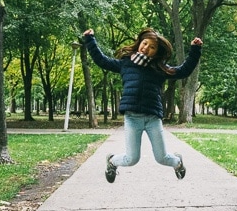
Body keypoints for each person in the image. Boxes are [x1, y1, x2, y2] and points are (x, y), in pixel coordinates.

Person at [83, 27, 203, 183]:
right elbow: (102, 60)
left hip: (153, 119)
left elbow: (183, 71)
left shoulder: (159, 69)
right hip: (132, 118)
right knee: (131, 159)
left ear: (156, 52)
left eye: (152, 47)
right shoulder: (125, 63)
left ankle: (177, 163)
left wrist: (195, 49)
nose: (146, 48)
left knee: (162, 158)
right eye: (144, 43)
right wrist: (90, 40)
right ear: (139, 43)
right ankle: (112, 162)